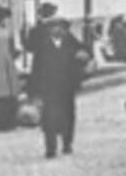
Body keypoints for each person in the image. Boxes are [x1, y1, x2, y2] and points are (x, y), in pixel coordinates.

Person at [30, 16, 88, 158]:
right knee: (48, 117)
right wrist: (34, 91)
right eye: (54, 27)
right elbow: (36, 69)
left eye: (61, 28)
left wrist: (82, 59)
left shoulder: (71, 44)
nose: (57, 30)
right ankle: (51, 147)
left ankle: (67, 143)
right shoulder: (43, 46)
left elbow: (85, 54)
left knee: (68, 116)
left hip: (66, 87)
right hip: (48, 87)